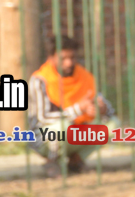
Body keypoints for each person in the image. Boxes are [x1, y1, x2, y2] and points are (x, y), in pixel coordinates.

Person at [28, 37, 117, 179]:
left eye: (72, 57)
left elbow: (109, 110)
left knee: (112, 125)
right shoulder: (40, 80)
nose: (69, 63)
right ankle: (52, 162)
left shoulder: (84, 77)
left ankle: (76, 160)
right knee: (61, 127)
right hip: (45, 138)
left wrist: (102, 109)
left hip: (76, 131)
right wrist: (78, 109)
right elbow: (42, 118)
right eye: (63, 58)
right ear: (51, 58)